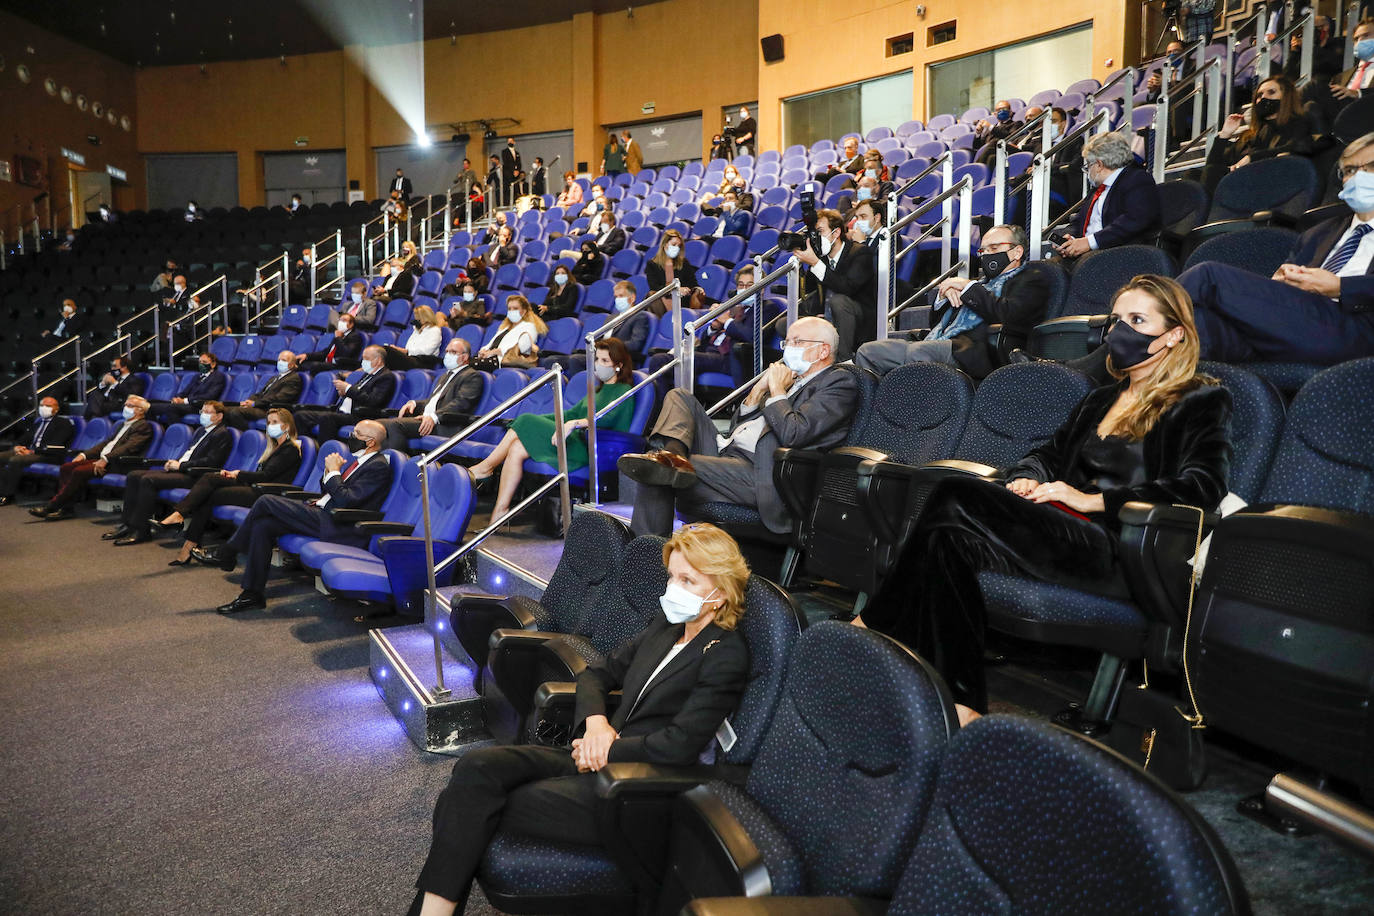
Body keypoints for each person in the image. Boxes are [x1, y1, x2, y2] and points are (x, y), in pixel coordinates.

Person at [855, 274, 1232, 712]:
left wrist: (1093, 500)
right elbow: (1047, 454)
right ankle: (961, 706)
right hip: (1060, 529)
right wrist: (1027, 476)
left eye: (1137, 319)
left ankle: (872, 624)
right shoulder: (1100, 398)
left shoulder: (1200, 399)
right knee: (947, 541)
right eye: (1116, 319)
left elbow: (1203, 488)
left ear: (1174, 335)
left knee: (957, 490)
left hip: (1118, 546)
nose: (1119, 331)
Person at [408, 521, 751, 916]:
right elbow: (596, 675)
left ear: (721, 593)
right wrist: (596, 726)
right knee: (476, 767)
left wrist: (610, 748)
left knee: (471, 802)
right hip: (595, 751)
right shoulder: (668, 626)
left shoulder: (725, 654)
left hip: (635, 789)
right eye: (672, 576)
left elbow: (681, 743)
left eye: (688, 580)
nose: (674, 589)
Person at [618, 317, 860, 537]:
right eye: (786, 342)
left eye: (797, 341)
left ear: (823, 350)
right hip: (728, 452)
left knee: (656, 469)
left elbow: (794, 433)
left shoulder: (838, 382)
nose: (788, 348)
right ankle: (674, 458)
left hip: (763, 471)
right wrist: (758, 392)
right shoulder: (790, 379)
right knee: (679, 396)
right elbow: (739, 428)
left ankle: (645, 559)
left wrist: (776, 391)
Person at [1174, 131, 1374, 366]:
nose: (1359, 176)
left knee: (1207, 276)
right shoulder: (1316, 234)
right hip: (1295, 328)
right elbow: (1290, 293)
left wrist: (1340, 287)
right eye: (1350, 170)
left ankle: (1138, 317)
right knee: (1199, 327)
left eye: (1370, 167)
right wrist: (1280, 283)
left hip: (1357, 330)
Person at [200, 420, 394, 614]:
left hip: (339, 524)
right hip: (322, 513)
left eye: (356, 433)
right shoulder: (359, 461)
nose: (350, 436)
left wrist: (334, 472)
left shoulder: (378, 467)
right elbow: (331, 491)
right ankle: (252, 594)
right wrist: (329, 472)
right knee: (264, 525)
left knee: (266, 500)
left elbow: (346, 501)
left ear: (370, 442)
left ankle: (228, 552)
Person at [468, 339, 636, 520]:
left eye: (604, 361)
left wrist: (575, 424)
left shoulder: (624, 390)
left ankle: (486, 468)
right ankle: (500, 511)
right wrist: (542, 422)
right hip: (575, 441)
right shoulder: (597, 390)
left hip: (592, 448)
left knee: (525, 421)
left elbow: (605, 418)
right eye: (597, 360)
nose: (598, 365)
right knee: (517, 446)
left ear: (618, 365)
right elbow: (571, 414)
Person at [855, 225, 1048, 379]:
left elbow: (1009, 314)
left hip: (977, 349)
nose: (986, 255)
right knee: (868, 351)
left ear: (1017, 252)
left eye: (994, 249)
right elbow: (939, 325)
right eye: (983, 250)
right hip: (942, 342)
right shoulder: (980, 284)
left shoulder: (1032, 278)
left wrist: (968, 287)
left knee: (920, 353)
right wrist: (942, 298)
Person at [156, 408, 305, 566]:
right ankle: (183, 529)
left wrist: (238, 474)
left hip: (266, 494)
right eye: (269, 422)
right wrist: (234, 474)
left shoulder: (290, 449)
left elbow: (267, 476)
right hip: (256, 486)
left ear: (287, 426)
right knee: (210, 479)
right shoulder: (274, 447)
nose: (270, 425)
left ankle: (184, 532)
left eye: (275, 422)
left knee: (209, 495)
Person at [103, 400, 234, 545]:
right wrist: (173, 463)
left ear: (219, 416)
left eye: (208, 412)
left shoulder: (222, 434)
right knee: (134, 475)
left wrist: (181, 466)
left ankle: (141, 531)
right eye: (202, 411)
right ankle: (127, 524)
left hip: (195, 476)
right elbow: (189, 454)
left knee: (148, 480)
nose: (203, 415)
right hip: (183, 469)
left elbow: (211, 462)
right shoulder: (201, 431)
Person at [30, 395, 155, 520]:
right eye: (125, 405)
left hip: (118, 464)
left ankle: (52, 506)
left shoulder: (143, 426)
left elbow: (127, 448)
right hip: (104, 460)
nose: (125, 408)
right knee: (66, 468)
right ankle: (66, 509)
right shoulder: (122, 424)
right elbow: (105, 444)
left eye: (130, 406)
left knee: (79, 471)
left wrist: (105, 459)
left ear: (140, 410)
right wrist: (84, 455)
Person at [1053, 131, 1162, 260]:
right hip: (1088, 257)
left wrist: (1090, 242)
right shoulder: (1096, 190)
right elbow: (1078, 222)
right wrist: (1069, 239)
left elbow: (1134, 219)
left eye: (1088, 166)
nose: (1087, 171)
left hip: (1120, 255)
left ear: (1099, 165)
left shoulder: (1137, 179)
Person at [647, 265, 755, 391]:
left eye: (749, 285)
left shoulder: (765, 308)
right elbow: (704, 340)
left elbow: (752, 336)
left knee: (660, 360)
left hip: (731, 358)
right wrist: (714, 327)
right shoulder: (733, 307)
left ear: (761, 288)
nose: (744, 289)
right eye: (741, 285)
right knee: (666, 363)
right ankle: (671, 404)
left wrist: (726, 320)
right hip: (709, 352)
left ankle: (668, 407)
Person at [1201, 75, 1316, 193]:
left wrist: (1252, 158)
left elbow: (1298, 147)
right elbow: (1211, 168)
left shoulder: (1298, 124)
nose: (1263, 98)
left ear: (1286, 97)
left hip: (1274, 185)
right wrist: (1224, 135)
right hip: (1242, 187)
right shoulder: (1249, 135)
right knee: (1199, 173)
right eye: (1259, 95)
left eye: (1271, 92)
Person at [794, 207, 876, 361]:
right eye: (814, 234)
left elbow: (847, 288)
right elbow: (808, 295)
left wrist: (816, 263)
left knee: (838, 301)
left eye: (821, 232)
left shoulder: (859, 252)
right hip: (827, 316)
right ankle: (805, 363)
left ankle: (844, 361)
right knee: (787, 322)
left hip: (858, 319)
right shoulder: (821, 259)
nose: (817, 238)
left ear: (836, 233)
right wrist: (800, 266)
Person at [380, 340, 485, 451]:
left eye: (453, 352)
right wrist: (415, 403)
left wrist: (434, 417)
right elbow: (433, 401)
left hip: (444, 424)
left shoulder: (472, 376)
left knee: (394, 425)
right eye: (447, 351)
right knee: (377, 425)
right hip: (427, 419)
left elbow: (461, 403)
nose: (448, 355)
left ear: (464, 357)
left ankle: (393, 462)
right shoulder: (445, 375)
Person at [293, 345, 398, 441]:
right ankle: (305, 449)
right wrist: (344, 393)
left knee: (327, 418)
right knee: (301, 416)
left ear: (378, 360)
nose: (363, 362)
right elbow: (357, 392)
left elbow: (373, 400)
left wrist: (348, 389)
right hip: (342, 411)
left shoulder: (385, 377)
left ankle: (324, 452)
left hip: (359, 414)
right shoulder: (367, 374)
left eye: (366, 359)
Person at [0, 397, 75, 505]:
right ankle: (2, 490)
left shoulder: (63, 423)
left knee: (15, 460)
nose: (44, 408)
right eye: (42, 405)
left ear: (56, 409)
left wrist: (32, 452)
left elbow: (55, 445)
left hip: (48, 455)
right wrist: (18, 447)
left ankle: (7, 495)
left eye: (48, 406)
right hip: (30, 452)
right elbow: (23, 439)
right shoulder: (38, 423)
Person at [222, 351, 305, 430]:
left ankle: (246, 436)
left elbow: (280, 398)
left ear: (291, 365)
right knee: (224, 410)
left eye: (283, 360)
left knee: (235, 412)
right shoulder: (275, 377)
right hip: (262, 407)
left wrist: (255, 403)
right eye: (279, 360)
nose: (279, 362)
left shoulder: (293, 378)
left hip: (272, 409)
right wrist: (250, 400)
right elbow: (261, 393)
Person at [147, 351, 228, 424]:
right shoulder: (197, 376)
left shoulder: (218, 377)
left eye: (204, 362)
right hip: (187, 404)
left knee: (171, 408)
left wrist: (185, 401)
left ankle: (176, 433)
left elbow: (210, 396)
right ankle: (156, 432)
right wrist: (177, 398)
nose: (201, 364)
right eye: (200, 362)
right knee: (150, 405)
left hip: (199, 406)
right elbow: (185, 391)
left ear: (213, 364)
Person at [476, 296, 546, 369]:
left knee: (468, 366)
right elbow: (490, 344)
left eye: (515, 308)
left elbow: (523, 348)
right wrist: (483, 351)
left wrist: (494, 352)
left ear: (524, 311)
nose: (512, 311)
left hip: (504, 361)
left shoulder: (530, 326)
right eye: (509, 309)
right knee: (466, 365)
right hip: (490, 358)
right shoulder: (505, 327)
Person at [645, 230, 701, 311]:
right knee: (652, 295)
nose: (676, 248)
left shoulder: (684, 263)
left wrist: (689, 289)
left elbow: (692, 283)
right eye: (674, 245)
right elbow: (654, 287)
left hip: (681, 301)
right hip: (661, 299)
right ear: (664, 245)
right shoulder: (652, 264)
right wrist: (675, 290)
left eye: (679, 246)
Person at [298, 312, 364, 374]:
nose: (340, 323)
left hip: (340, 364)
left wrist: (338, 338)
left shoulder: (354, 336)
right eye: (340, 320)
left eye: (344, 320)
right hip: (328, 362)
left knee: (314, 366)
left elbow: (346, 353)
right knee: (301, 362)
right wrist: (307, 356)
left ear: (351, 324)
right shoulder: (339, 335)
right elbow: (325, 352)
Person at [382, 305, 444, 370]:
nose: (416, 320)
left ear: (424, 318)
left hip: (423, 362)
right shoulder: (417, 330)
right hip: (412, 359)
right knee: (384, 352)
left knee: (389, 351)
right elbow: (408, 347)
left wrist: (405, 351)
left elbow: (427, 351)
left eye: (418, 318)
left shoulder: (434, 330)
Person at [501, 138, 522, 203]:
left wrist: (517, 170)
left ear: (514, 142)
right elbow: (506, 163)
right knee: (509, 190)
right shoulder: (504, 152)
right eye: (508, 141)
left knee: (516, 189)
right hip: (508, 174)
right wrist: (513, 171)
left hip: (516, 174)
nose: (510, 142)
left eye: (511, 141)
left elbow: (519, 163)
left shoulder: (517, 153)